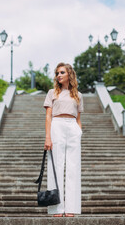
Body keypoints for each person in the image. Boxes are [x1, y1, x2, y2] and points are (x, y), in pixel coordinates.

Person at [43, 62, 84, 217]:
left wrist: (79, 132)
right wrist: (48, 136)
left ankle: (71, 208)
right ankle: (57, 208)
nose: (58, 75)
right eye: (57, 73)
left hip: (73, 127)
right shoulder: (52, 93)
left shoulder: (78, 95)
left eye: (61, 72)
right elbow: (48, 116)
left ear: (69, 74)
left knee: (73, 168)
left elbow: (79, 117)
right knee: (56, 167)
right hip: (57, 126)